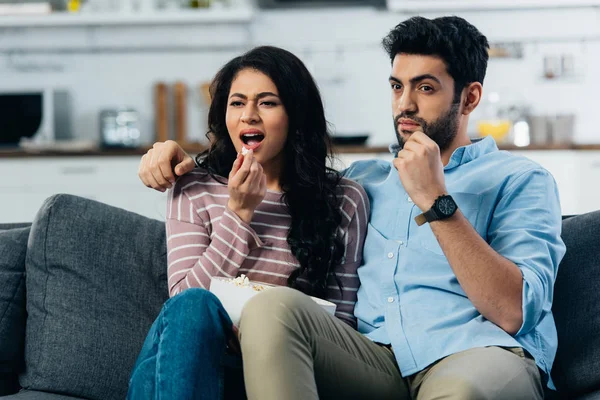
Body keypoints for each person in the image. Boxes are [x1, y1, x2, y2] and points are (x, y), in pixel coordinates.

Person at [140, 16, 566, 400]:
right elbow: (278, 165)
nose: (406, 104)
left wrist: (437, 200)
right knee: (271, 308)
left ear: (470, 98)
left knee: (465, 390)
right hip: (375, 361)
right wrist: (184, 157)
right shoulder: (363, 182)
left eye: (426, 87)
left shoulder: (519, 180)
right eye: (398, 87)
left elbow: (515, 311)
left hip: (472, 353)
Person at [129, 45, 369, 400]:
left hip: (281, 369)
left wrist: (268, 334)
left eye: (268, 103)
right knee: (194, 307)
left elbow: (343, 326)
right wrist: (239, 214)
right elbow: (184, 304)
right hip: (196, 364)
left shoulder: (344, 199)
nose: (249, 116)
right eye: (237, 103)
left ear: (296, 115)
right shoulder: (194, 188)